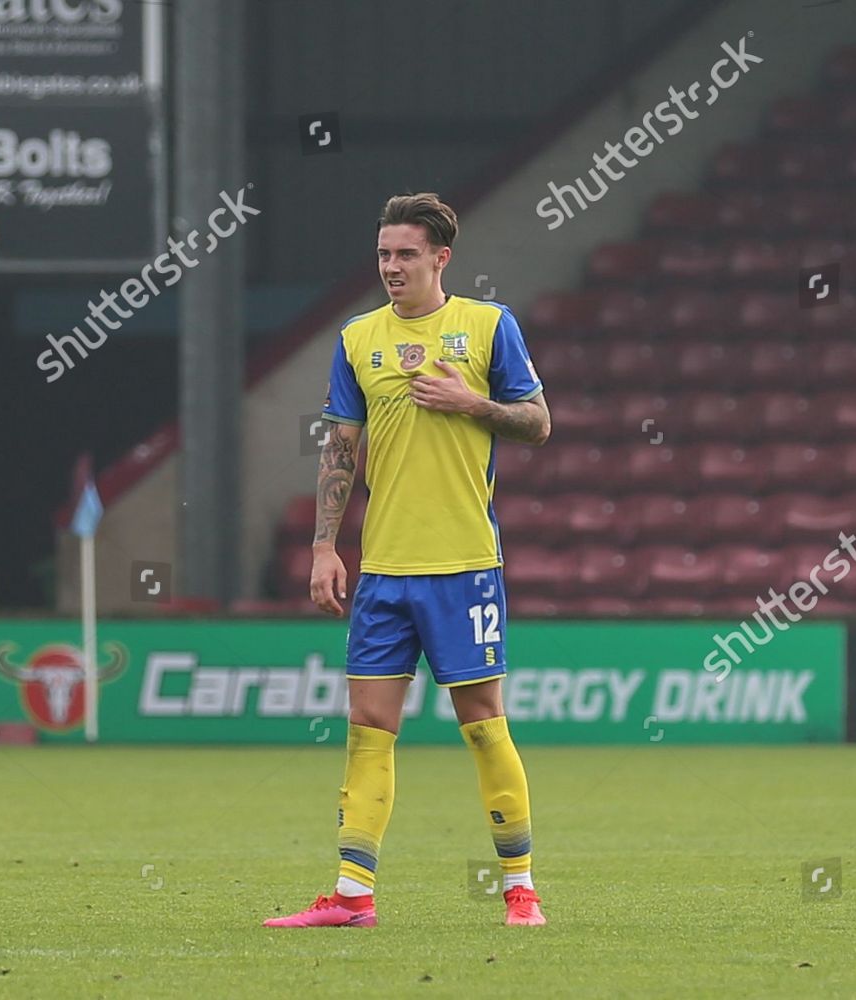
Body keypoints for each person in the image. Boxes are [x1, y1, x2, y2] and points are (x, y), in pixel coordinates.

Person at [264, 192, 551, 929]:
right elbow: (340, 447)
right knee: (367, 727)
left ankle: (521, 890)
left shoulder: (488, 327)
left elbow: (538, 423)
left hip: (463, 563)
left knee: (484, 722)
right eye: (384, 254)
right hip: (385, 571)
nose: (391, 266)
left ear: (440, 258)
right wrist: (327, 545)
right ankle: (354, 898)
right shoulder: (358, 337)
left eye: (406, 255)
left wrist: (471, 403)